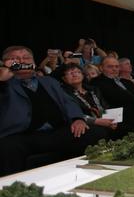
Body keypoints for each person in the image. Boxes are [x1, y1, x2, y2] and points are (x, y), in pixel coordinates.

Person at [0, 46, 106, 176]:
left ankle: (88, 176)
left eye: (26, 58)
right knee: (6, 148)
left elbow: (68, 101)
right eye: (16, 59)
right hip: (22, 135)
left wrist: (77, 119)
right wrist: (3, 77)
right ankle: (13, 188)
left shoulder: (48, 81)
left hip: (56, 131)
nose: (22, 61)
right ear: (6, 63)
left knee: (95, 132)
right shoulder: (5, 84)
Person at [59, 63, 117, 134]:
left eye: (77, 72)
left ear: (83, 75)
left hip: (103, 120)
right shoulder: (63, 93)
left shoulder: (94, 89)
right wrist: (98, 121)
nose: (74, 75)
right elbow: (72, 114)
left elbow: (104, 106)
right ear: (64, 78)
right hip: (86, 124)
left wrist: (110, 120)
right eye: (70, 73)